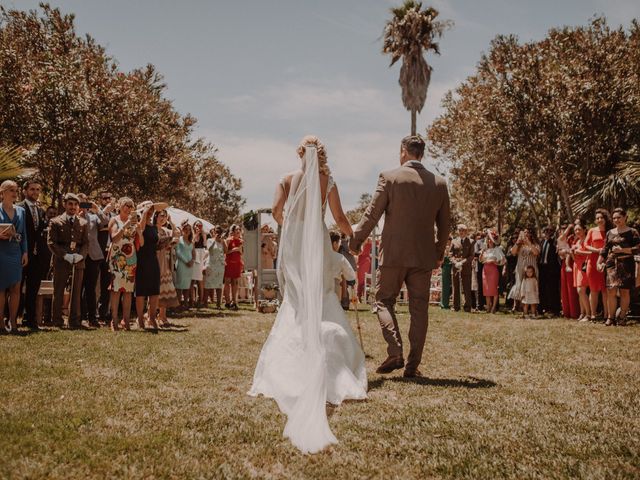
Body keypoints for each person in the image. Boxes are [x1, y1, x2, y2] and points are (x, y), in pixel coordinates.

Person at [250, 135, 367, 454]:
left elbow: (276, 212)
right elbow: (341, 219)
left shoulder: (286, 180)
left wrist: (292, 228)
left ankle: (293, 358)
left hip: (294, 243)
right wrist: (352, 234)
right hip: (315, 241)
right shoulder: (327, 181)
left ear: (301, 154)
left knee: (296, 301)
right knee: (322, 295)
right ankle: (330, 358)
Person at [351, 134, 450, 378]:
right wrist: (438, 254)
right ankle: (412, 366)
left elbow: (372, 214)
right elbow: (446, 225)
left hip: (393, 254)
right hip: (423, 257)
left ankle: (395, 351)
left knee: (383, 300)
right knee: (420, 310)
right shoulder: (439, 183)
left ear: (403, 152)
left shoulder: (389, 177)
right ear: (422, 154)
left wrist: (355, 242)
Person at [48, 193, 89, 329]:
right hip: (61, 260)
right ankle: (57, 321)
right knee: (58, 290)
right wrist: (65, 255)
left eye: (75, 204)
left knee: (76, 291)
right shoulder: (55, 221)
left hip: (78, 261)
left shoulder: (83, 222)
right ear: (64, 204)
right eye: (70, 204)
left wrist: (81, 256)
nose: (73, 207)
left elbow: (86, 243)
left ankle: (74, 321)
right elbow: (51, 242)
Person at [598, 208, 640, 326]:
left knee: (624, 291)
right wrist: (599, 261)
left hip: (626, 264)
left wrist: (623, 250)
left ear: (625, 217)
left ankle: (621, 317)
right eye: (614, 218)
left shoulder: (632, 232)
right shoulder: (610, 232)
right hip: (611, 264)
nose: (616, 220)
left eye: (619, 217)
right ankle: (610, 318)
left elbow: (638, 248)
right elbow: (605, 249)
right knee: (610, 290)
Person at [107, 197, 141, 331]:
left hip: (131, 259)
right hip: (117, 258)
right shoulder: (114, 220)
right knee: (116, 289)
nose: (127, 208)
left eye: (130, 206)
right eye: (125, 205)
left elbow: (139, 242)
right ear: (119, 207)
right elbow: (114, 238)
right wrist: (125, 225)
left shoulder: (134, 222)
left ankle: (126, 321)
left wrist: (137, 228)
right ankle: (113, 320)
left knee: (128, 290)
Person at [0, 180, 28, 333]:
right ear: (2, 193)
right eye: (11, 190)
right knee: (1, 288)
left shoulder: (21, 211)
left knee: (16, 287)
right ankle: (0, 324)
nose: (14, 193)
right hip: (1, 252)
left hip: (16, 252)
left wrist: (25, 252)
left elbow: (24, 235)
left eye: (15, 190)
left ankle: (13, 322)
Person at [17, 179, 45, 330]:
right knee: (16, 287)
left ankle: (30, 319)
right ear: (25, 191)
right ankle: (12, 318)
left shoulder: (40, 210)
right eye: (32, 189)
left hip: (37, 256)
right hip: (21, 254)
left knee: (33, 288)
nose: (35, 192)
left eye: (38, 189)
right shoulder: (18, 208)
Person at [78, 194, 109, 328]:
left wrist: (97, 210)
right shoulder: (73, 218)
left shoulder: (93, 217)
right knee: (78, 288)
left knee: (91, 288)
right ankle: (78, 316)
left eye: (85, 204)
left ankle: (92, 317)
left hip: (94, 256)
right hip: (79, 256)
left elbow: (106, 222)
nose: (82, 206)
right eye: (80, 204)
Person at [134, 202, 160, 330]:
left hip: (153, 259)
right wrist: (144, 210)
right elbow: (141, 233)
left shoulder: (154, 227)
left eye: (152, 210)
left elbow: (155, 243)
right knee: (141, 291)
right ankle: (140, 319)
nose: (150, 212)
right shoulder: (139, 224)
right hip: (142, 260)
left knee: (154, 290)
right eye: (148, 210)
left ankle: (152, 318)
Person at [585, 209, 612, 321]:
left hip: (607, 261)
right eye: (597, 218)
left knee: (605, 290)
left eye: (601, 217)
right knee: (593, 290)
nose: (599, 220)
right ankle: (593, 315)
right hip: (593, 261)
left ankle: (607, 315)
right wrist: (597, 250)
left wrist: (604, 252)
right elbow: (586, 245)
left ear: (605, 218)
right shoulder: (592, 230)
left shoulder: (610, 231)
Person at [154, 209, 180, 325]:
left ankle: (163, 316)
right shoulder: (153, 229)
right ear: (155, 216)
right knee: (154, 290)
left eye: (165, 216)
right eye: (161, 215)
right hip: (155, 260)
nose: (163, 218)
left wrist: (171, 222)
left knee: (164, 290)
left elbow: (177, 233)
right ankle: (151, 315)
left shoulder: (166, 230)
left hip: (166, 261)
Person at [508, 228, 540, 312]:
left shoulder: (535, 244)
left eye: (527, 232)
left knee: (532, 288)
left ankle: (533, 309)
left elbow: (536, 252)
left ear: (530, 234)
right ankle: (522, 308)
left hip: (531, 270)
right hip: (520, 269)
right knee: (521, 287)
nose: (525, 234)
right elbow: (513, 252)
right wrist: (518, 242)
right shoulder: (519, 245)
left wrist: (528, 243)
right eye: (524, 232)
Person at [97, 191, 116, 323]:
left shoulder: (115, 216)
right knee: (94, 284)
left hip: (111, 252)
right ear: (100, 200)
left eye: (109, 198)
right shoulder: (96, 213)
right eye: (105, 198)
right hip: (98, 251)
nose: (107, 200)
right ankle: (90, 313)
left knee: (107, 284)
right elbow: (96, 225)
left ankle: (104, 313)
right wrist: (104, 211)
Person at [479, 230, 506, 314]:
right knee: (486, 289)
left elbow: (504, 261)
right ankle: (488, 306)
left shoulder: (497, 249)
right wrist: (481, 255)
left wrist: (496, 263)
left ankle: (494, 307)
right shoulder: (485, 250)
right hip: (485, 269)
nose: (489, 241)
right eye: (488, 239)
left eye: (491, 239)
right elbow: (481, 260)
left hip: (493, 270)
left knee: (494, 289)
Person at [538, 226, 562, 317]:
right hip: (542, 267)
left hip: (552, 269)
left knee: (553, 289)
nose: (547, 233)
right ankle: (542, 308)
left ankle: (554, 309)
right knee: (542, 288)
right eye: (546, 232)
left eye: (549, 232)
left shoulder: (554, 242)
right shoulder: (541, 242)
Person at [557, 224, 580, 319]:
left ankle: (575, 312)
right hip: (565, 264)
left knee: (572, 288)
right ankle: (567, 311)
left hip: (574, 262)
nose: (564, 231)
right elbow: (560, 252)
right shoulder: (561, 240)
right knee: (565, 288)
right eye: (562, 229)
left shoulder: (574, 238)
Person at [450, 224, 474, 312]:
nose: (461, 232)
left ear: (466, 232)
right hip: (456, 266)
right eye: (460, 230)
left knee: (467, 287)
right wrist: (455, 262)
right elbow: (450, 254)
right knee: (455, 286)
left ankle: (467, 307)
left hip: (466, 267)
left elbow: (471, 256)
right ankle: (455, 306)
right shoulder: (454, 241)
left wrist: (462, 262)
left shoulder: (471, 241)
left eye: (463, 231)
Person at [571, 218, 592, 321]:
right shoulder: (577, 241)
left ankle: (589, 314)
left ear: (584, 230)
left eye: (579, 229)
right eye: (575, 230)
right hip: (577, 266)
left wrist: (580, 252)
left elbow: (592, 253)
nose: (577, 232)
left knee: (581, 290)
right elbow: (575, 257)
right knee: (579, 291)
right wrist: (572, 252)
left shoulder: (587, 240)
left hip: (584, 266)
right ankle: (582, 313)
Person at [204, 226, 226, 309]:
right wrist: (214, 240)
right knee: (208, 283)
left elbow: (226, 251)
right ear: (213, 232)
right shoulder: (209, 240)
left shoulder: (222, 241)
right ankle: (205, 303)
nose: (218, 233)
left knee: (219, 285)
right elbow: (209, 249)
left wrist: (223, 241)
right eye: (216, 231)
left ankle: (218, 304)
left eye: (219, 232)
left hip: (220, 265)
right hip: (211, 264)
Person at [175, 222, 195, 308]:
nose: (187, 231)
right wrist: (186, 261)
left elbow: (194, 253)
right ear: (182, 230)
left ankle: (185, 304)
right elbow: (178, 252)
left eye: (189, 230)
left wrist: (192, 261)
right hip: (181, 264)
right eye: (185, 229)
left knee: (187, 285)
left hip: (190, 266)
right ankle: (178, 304)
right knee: (179, 286)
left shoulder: (191, 241)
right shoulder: (179, 240)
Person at [224, 224, 244, 310]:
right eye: (237, 229)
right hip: (229, 263)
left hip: (237, 263)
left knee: (235, 283)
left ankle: (234, 301)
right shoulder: (228, 240)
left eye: (239, 229)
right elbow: (225, 252)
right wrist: (233, 250)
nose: (238, 231)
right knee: (227, 282)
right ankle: (227, 301)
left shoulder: (241, 241)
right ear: (233, 231)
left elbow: (242, 253)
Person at [191, 220, 206, 307]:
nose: (198, 227)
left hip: (200, 257)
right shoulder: (192, 234)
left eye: (200, 225)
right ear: (194, 226)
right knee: (192, 280)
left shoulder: (203, 234)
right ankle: (191, 301)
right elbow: (192, 244)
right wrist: (196, 234)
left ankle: (201, 300)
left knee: (200, 280)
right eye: (197, 225)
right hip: (194, 256)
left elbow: (204, 245)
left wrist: (203, 236)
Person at [356, 237, 372, 301]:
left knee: (365, 280)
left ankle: (365, 296)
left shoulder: (369, 242)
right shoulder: (359, 243)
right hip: (362, 262)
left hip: (366, 262)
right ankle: (359, 295)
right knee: (361, 280)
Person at [439, 237, 452, 309]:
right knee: (445, 286)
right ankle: (444, 304)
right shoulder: (443, 249)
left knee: (451, 286)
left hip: (452, 267)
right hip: (445, 268)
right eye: (447, 241)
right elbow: (441, 261)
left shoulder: (452, 248)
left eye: (449, 241)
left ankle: (451, 303)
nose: (448, 242)